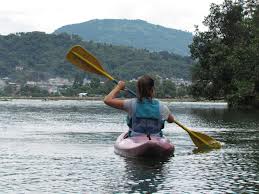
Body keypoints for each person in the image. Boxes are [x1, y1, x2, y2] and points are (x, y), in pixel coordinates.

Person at [104, 75, 174, 139]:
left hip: (136, 137)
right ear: (153, 89)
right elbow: (171, 120)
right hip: (156, 137)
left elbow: (107, 100)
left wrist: (118, 87)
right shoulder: (162, 107)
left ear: (138, 89)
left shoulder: (130, 104)